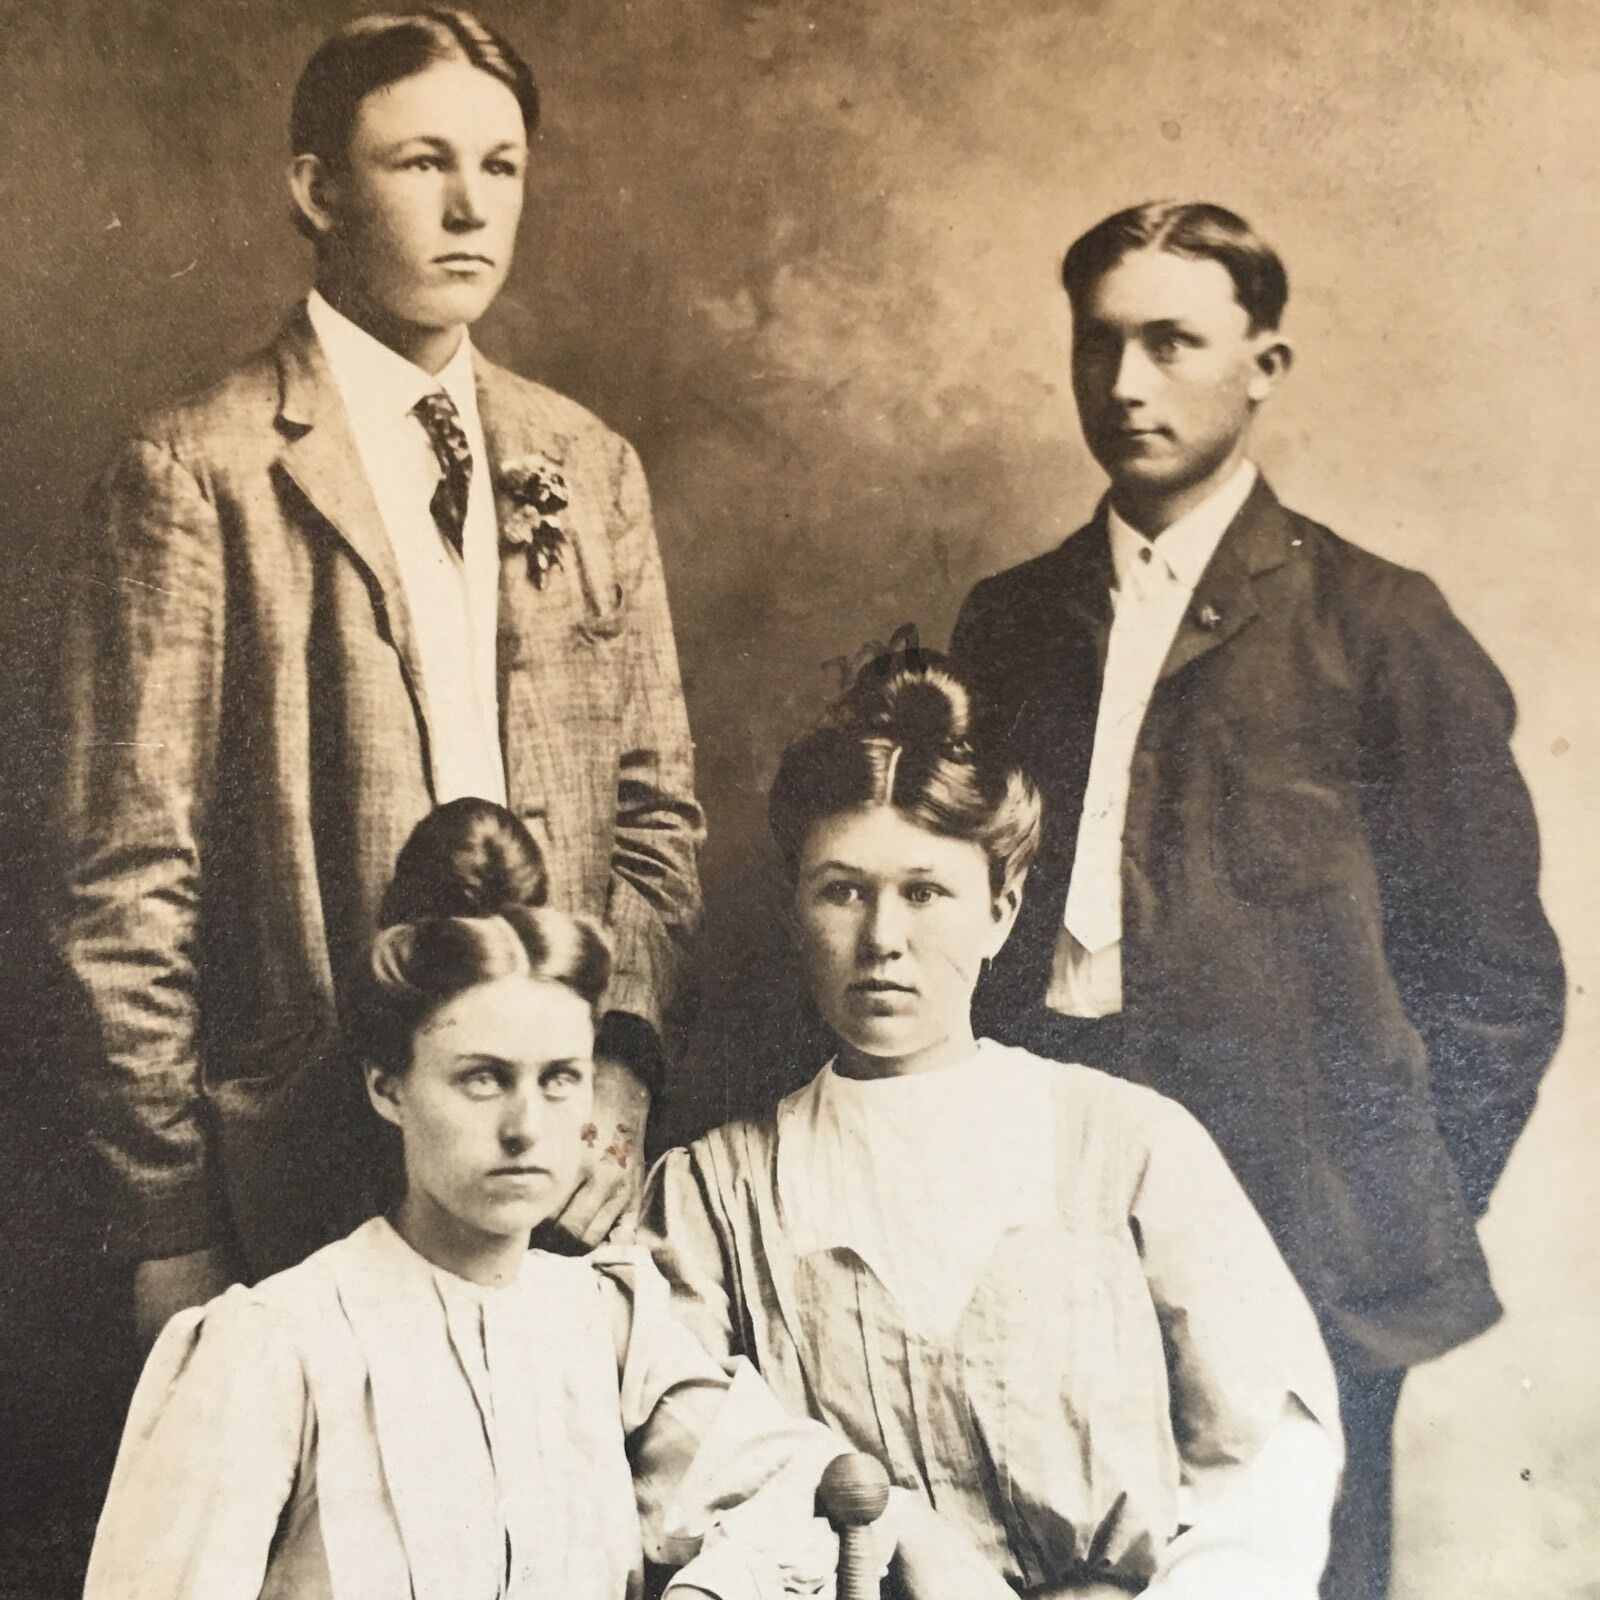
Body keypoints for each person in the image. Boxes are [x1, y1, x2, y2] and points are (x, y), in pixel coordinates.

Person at [48, 9, 703, 1347]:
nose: (471, 205)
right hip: (298, 1171)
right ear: (317, 188)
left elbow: (656, 817)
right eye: (420, 163)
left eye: (502, 165)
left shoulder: (588, 465)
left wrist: (613, 1074)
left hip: (554, 1152)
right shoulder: (198, 472)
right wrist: (168, 1227)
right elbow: (127, 891)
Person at [948, 201, 1566, 1600]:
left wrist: (1379, 1189)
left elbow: (1500, 985)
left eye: (1173, 343)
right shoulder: (1015, 622)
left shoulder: (1377, 626)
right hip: (1056, 1194)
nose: (1125, 385)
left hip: (1304, 1220)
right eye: (1100, 343)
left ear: (1264, 365)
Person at [642, 652, 1344, 1600]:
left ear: (1001, 912)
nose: (883, 937)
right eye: (842, 890)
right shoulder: (710, 1196)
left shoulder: (1128, 1147)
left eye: (926, 892)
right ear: (794, 909)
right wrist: (899, 1533)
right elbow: (673, 1444)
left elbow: (1270, 1454)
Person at [83, 799, 847, 1600]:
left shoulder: (607, 1325)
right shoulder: (277, 1349)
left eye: (559, 1080)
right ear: (388, 1087)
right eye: (481, 1079)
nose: (525, 1127)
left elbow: (796, 1499)